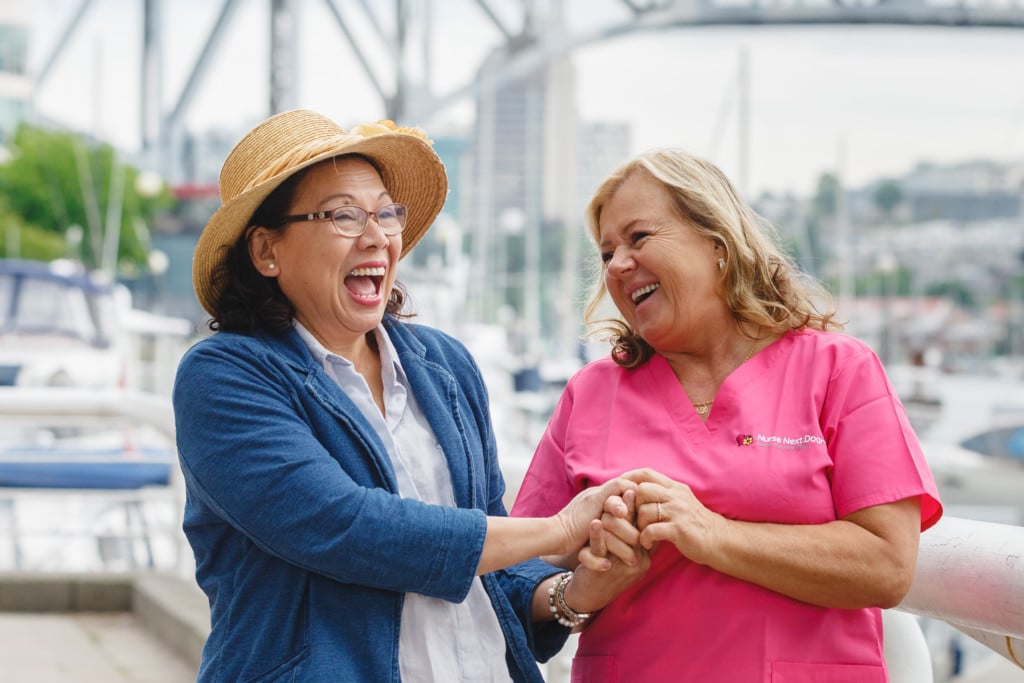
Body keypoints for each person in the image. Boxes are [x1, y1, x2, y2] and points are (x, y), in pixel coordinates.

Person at [172, 109, 637, 682]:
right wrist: (560, 530)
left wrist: (576, 587)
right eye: (344, 214)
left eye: (386, 213)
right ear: (267, 251)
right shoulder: (225, 376)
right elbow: (348, 528)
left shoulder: (444, 365)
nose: (377, 236)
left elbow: (489, 567)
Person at [511, 147, 943, 681]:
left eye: (638, 238)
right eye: (606, 254)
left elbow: (888, 564)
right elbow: (517, 576)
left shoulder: (837, 369)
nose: (618, 264)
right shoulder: (590, 393)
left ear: (717, 243)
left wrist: (711, 533)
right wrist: (580, 591)